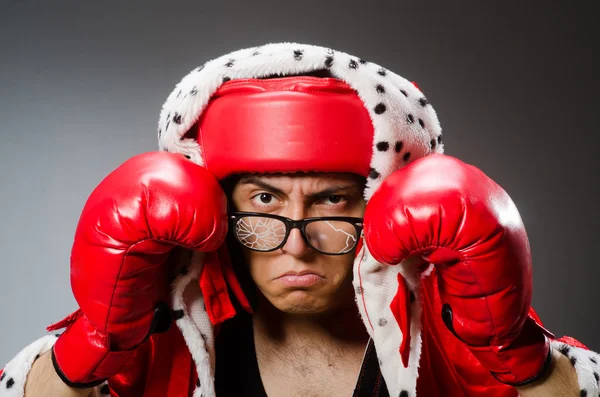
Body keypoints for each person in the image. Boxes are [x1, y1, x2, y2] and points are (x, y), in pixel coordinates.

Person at [1, 42, 598, 397]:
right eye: (263, 203)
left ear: (385, 210)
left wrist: (508, 349)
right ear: (215, 212)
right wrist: (96, 346)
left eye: (334, 202)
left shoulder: (444, 335)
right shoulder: (170, 334)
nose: (298, 246)